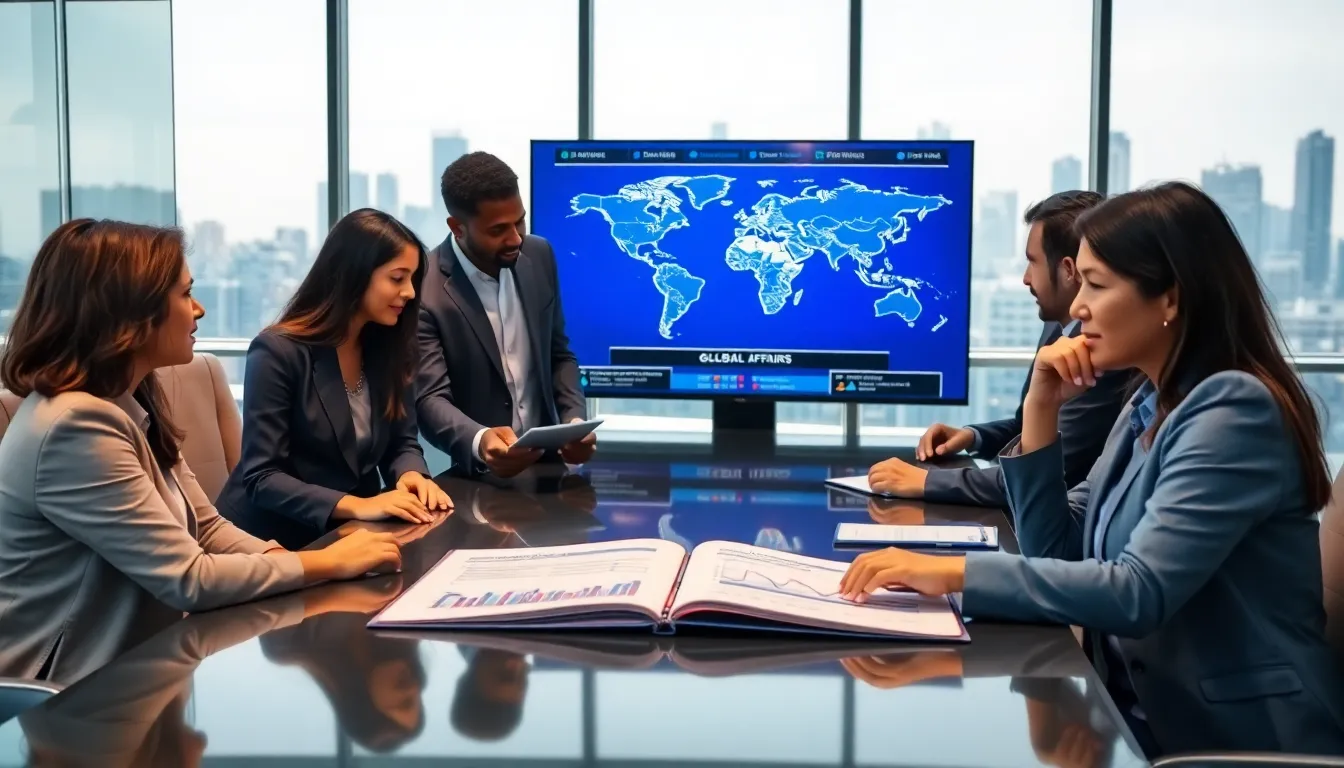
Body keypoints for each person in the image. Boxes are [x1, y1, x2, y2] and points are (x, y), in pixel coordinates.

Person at [839, 183, 1344, 756]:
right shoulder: (1149, 401)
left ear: (1171, 299)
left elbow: (1138, 591)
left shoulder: (1233, 409)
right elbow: (1058, 546)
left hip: (1242, 742)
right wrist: (1040, 408)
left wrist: (955, 572)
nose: (1078, 307)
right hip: (1146, 718)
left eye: (1097, 286)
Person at [0, 219, 401, 684]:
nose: (200, 309)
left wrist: (288, 562)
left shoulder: (128, 402)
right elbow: (187, 577)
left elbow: (206, 527)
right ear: (129, 311)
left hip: (139, 669)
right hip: (63, 697)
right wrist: (326, 561)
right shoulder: (75, 426)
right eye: (184, 294)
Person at [867, 191, 1128, 506]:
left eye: (1033, 262)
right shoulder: (1057, 330)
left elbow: (1038, 476)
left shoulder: (1103, 356)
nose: (1025, 278)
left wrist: (926, 480)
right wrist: (973, 436)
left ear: (1069, 269)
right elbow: (1028, 428)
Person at [217, 209, 452, 550]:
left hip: (349, 538)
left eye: (412, 280)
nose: (411, 293)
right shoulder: (277, 352)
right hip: (267, 544)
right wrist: (360, 505)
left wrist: (410, 475)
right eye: (397, 278)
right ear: (354, 276)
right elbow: (263, 478)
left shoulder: (388, 346)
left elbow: (400, 441)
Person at [416, 151, 593, 478]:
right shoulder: (423, 290)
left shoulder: (540, 256)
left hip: (550, 474)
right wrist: (480, 440)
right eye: (498, 230)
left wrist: (574, 422)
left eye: (520, 221)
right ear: (458, 228)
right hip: (478, 483)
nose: (515, 238)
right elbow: (429, 399)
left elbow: (558, 354)